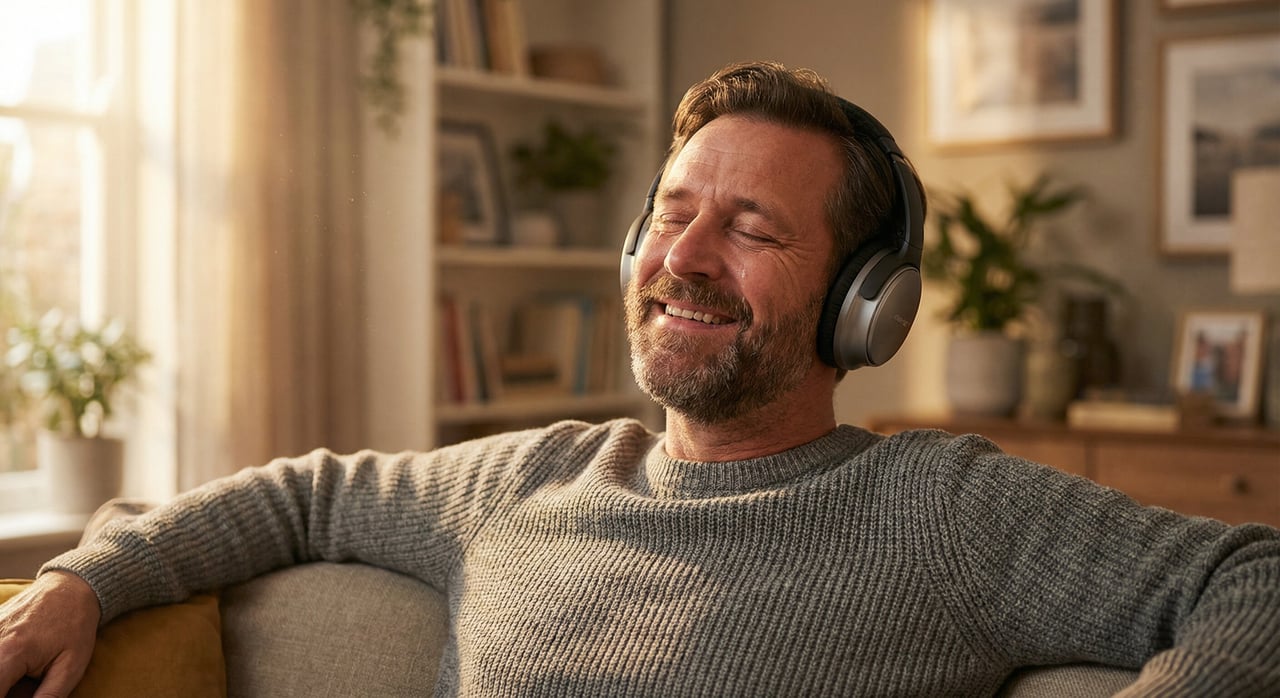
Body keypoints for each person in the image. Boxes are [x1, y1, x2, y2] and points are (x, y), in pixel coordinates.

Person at [2, 61, 1278, 696]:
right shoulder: (521, 477)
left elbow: (1250, 577)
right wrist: (83, 576)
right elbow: (298, 496)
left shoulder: (940, 509)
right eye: (672, 213)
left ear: (863, 306)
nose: (683, 258)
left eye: (753, 230)